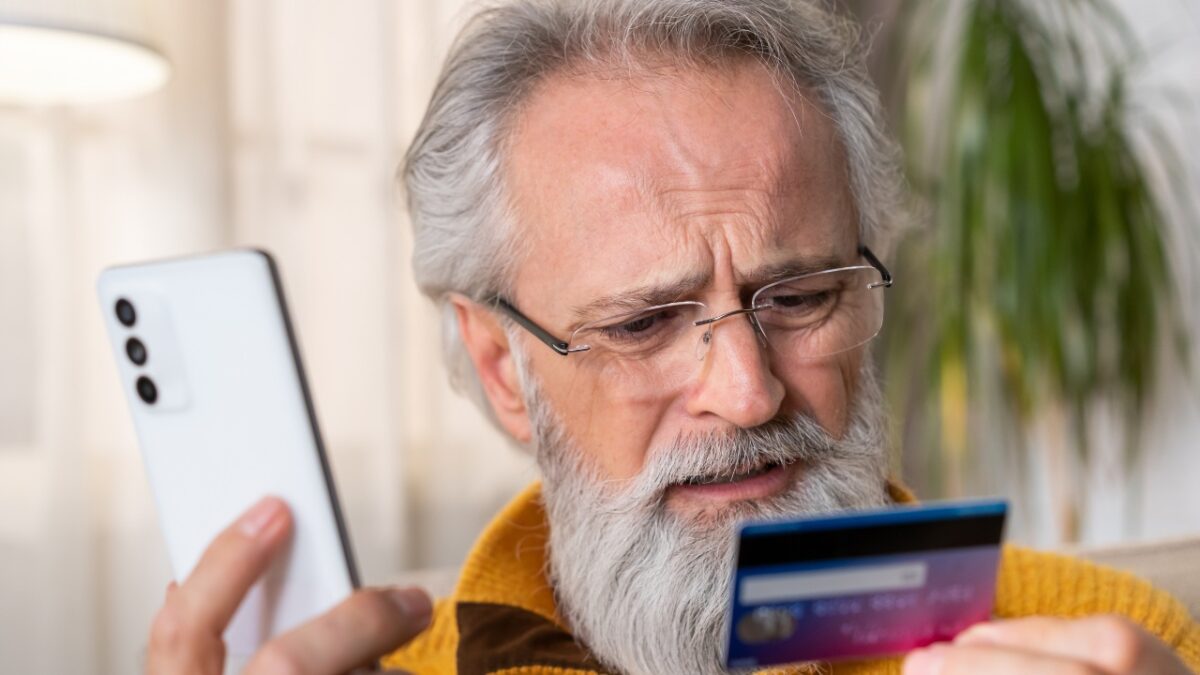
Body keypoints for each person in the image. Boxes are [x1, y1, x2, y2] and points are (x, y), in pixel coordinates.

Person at [145, 1, 1200, 674]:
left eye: (798, 296)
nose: (747, 393)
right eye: (644, 322)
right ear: (499, 368)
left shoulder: (1120, 644)